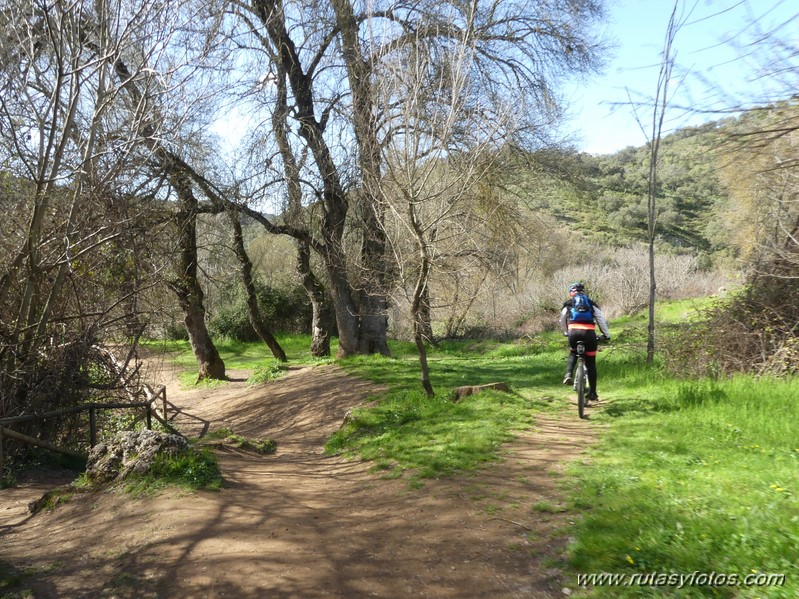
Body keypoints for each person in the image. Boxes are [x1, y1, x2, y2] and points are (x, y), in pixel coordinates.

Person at [559, 282, 610, 402]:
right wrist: (606, 335)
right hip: (589, 334)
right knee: (591, 363)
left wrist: (566, 332)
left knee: (573, 352)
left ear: (571, 293)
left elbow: (562, 319)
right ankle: (593, 392)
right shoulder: (591, 303)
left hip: (573, 333)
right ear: (583, 291)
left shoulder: (568, 303)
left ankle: (568, 375)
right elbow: (600, 319)